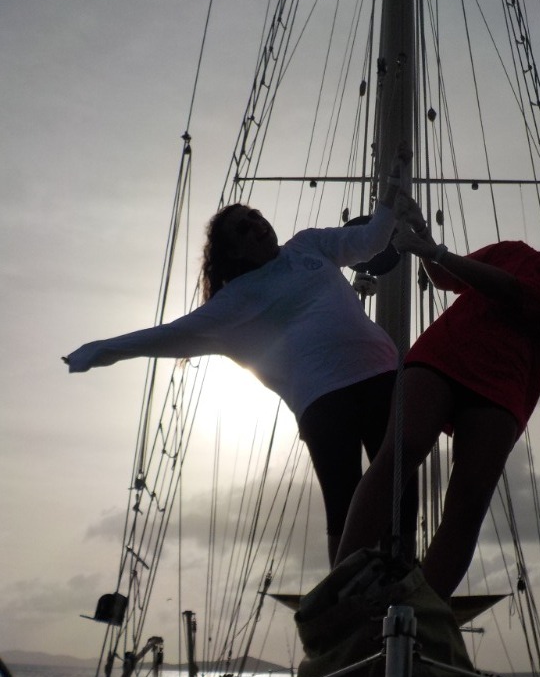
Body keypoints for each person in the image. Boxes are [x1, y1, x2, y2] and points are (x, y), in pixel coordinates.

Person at [64, 146, 414, 564]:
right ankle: (346, 592)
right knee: (345, 498)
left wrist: (393, 188)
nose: (256, 226)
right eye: (243, 229)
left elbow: (370, 241)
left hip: (382, 374)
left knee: (401, 485)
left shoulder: (309, 245)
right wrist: (102, 350)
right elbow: (172, 335)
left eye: (255, 217)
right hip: (324, 397)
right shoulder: (235, 301)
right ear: (233, 253)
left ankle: (406, 576)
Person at [335, 214, 540, 598]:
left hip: (501, 386)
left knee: (469, 498)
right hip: (442, 355)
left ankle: (426, 604)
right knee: (399, 451)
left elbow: (511, 290)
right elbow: (445, 277)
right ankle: (342, 580)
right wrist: (423, 237)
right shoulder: (513, 251)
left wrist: (433, 251)